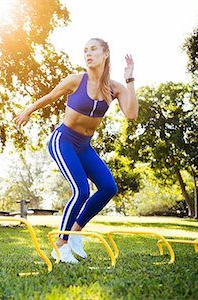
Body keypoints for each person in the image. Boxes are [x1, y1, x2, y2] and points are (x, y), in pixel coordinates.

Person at [14, 38, 138, 263]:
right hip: (63, 140)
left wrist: (130, 78)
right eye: (85, 51)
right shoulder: (75, 80)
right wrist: (28, 111)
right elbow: (50, 96)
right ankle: (60, 245)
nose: (88, 54)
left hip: (84, 145)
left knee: (109, 187)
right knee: (81, 190)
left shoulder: (114, 87)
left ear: (105, 54)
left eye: (93, 50)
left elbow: (131, 113)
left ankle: (75, 233)